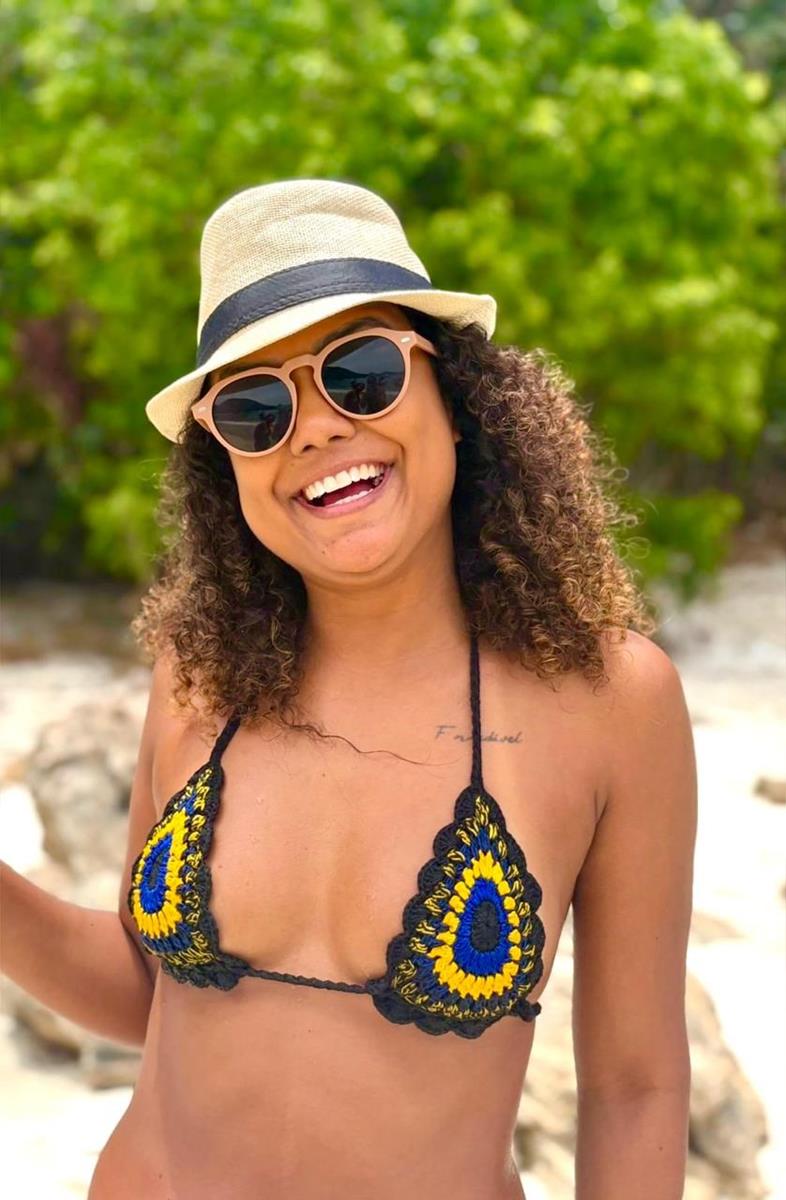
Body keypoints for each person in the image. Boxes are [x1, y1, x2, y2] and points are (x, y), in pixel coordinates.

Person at [0, 179, 697, 1200]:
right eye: (255, 409)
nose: (317, 430)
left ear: (456, 395)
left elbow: (636, 1088)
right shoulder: (200, 678)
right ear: (222, 463)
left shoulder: (608, 702)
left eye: (359, 374)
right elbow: (152, 995)